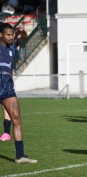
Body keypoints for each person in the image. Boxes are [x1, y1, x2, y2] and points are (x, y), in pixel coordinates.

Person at [0, 23, 37, 164]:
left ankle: (20, 156)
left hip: (7, 90)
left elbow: (9, 69)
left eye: (12, 34)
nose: (11, 37)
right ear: (0, 35)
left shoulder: (12, 51)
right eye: (8, 35)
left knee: (16, 118)